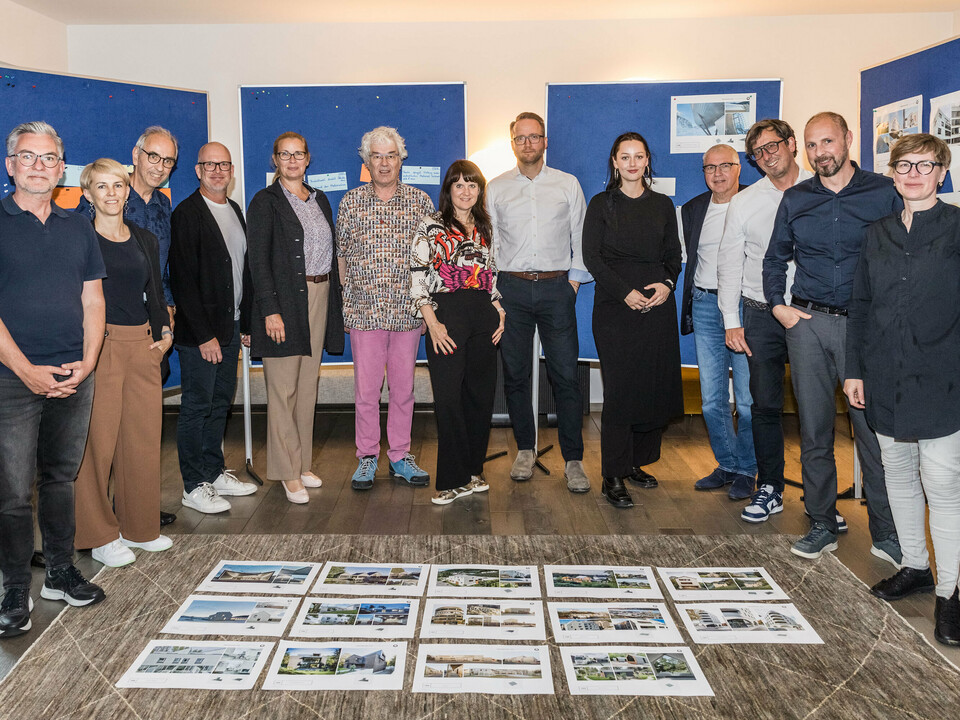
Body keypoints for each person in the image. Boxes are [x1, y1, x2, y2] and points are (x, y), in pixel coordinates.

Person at [763, 112, 900, 562]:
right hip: (808, 325)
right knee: (815, 430)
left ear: (848, 139)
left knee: (872, 433)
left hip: (866, 329)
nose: (820, 152)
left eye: (827, 141)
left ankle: (887, 532)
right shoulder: (796, 199)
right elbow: (774, 258)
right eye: (812, 145)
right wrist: (778, 306)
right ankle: (822, 522)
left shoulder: (884, 192)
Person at [844, 132, 960, 646]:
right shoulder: (877, 234)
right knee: (897, 475)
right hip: (884, 376)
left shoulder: (957, 227)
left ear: (942, 173)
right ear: (892, 174)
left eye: (925, 165)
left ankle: (951, 593)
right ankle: (915, 565)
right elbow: (861, 306)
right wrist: (854, 370)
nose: (914, 173)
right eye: (904, 165)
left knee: (944, 487)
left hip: (943, 378)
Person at [0, 122, 106, 638]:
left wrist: (87, 363)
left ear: (62, 168)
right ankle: (15, 587)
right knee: (13, 491)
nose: (38, 166)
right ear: (10, 165)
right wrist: (26, 371)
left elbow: (93, 300)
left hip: (72, 375)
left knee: (61, 479)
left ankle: (61, 572)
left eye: (48, 158)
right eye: (28, 156)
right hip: (10, 379)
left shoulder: (79, 227)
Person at [74, 125, 180, 527]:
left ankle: (139, 525)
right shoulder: (79, 236)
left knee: (141, 441)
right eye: (102, 187)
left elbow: (156, 287)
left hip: (144, 343)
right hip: (101, 343)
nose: (112, 193)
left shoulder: (147, 234)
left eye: (117, 186)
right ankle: (96, 532)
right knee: (98, 444)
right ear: (88, 194)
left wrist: (165, 332)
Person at [717, 119, 818, 524]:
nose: (767, 156)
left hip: (814, 312)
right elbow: (729, 262)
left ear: (792, 144)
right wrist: (731, 319)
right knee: (764, 405)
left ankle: (820, 499)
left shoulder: (822, 188)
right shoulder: (745, 201)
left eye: (773, 145)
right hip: (760, 313)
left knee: (816, 407)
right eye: (758, 152)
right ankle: (770, 487)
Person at [487, 111, 592, 493]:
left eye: (534, 137)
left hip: (556, 289)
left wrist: (573, 284)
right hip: (511, 291)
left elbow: (581, 235)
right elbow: (491, 243)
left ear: (545, 141)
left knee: (565, 375)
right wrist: (494, 291)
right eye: (521, 138)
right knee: (515, 375)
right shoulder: (496, 188)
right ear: (512, 143)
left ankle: (574, 460)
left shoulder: (567, 184)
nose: (528, 143)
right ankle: (525, 449)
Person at [582, 132, 683, 508]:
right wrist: (624, 292)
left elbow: (673, 255)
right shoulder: (600, 204)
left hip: (657, 308)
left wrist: (668, 285)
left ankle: (635, 463)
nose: (632, 163)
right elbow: (592, 257)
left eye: (638, 156)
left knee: (652, 386)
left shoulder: (663, 204)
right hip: (615, 308)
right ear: (614, 162)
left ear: (647, 161)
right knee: (621, 392)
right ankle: (612, 474)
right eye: (624, 157)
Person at [247, 132, 345, 504]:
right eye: (284, 154)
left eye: (298, 154)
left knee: (306, 386)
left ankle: (302, 463)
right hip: (285, 302)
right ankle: (286, 472)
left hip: (320, 295)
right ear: (275, 159)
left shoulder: (319, 199)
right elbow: (258, 262)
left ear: (308, 158)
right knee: (283, 388)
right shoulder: (265, 202)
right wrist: (270, 310)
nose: (292, 160)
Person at [336, 126, 434, 491]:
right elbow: (342, 257)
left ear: (400, 159)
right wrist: (349, 301)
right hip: (365, 313)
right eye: (376, 156)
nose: (384, 163)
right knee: (366, 391)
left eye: (390, 156)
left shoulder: (421, 202)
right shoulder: (350, 203)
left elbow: (431, 260)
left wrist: (427, 311)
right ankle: (366, 457)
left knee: (403, 390)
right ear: (366, 161)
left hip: (407, 313)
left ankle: (399, 456)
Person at [410, 160, 506, 505]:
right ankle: (452, 480)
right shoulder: (430, 225)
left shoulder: (485, 227)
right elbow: (417, 278)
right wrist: (433, 322)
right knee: (449, 399)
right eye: (459, 185)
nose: (466, 191)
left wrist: (500, 310)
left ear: (480, 190)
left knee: (479, 398)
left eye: (472, 185)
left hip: (483, 316)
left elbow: (490, 276)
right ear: (449, 190)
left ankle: (474, 471)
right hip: (446, 316)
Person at [170, 142, 256, 515]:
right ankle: (193, 485)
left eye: (223, 164)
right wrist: (204, 335)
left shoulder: (234, 209)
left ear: (232, 170)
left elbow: (242, 270)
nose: (217, 171)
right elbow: (183, 281)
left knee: (220, 403)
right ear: (197, 170)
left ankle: (214, 472)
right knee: (196, 406)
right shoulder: (187, 214)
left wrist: (246, 322)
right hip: (201, 335)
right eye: (210, 164)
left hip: (231, 326)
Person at [680, 144, 755, 501]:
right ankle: (727, 464)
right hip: (706, 306)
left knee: (748, 399)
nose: (718, 173)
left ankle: (748, 469)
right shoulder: (694, 209)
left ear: (739, 168)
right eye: (710, 167)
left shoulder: (756, 202)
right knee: (711, 399)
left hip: (745, 308)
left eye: (725, 165)